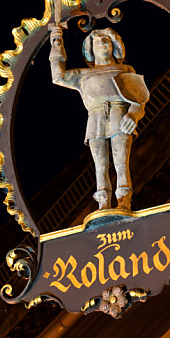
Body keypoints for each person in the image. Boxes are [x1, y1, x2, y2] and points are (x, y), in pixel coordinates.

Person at [49, 27, 149, 210]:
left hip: (119, 115)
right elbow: (58, 77)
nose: (102, 43)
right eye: (97, 41)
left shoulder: (124, 69)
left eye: (107, 40)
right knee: (100, 162)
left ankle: (124, 199)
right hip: (95, 119)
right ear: (90, 49)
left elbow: (139, 98)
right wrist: (56, 45)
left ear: (114, 46)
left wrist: (133, 114)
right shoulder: (82, 75)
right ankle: (103, 201)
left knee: (121, 160)